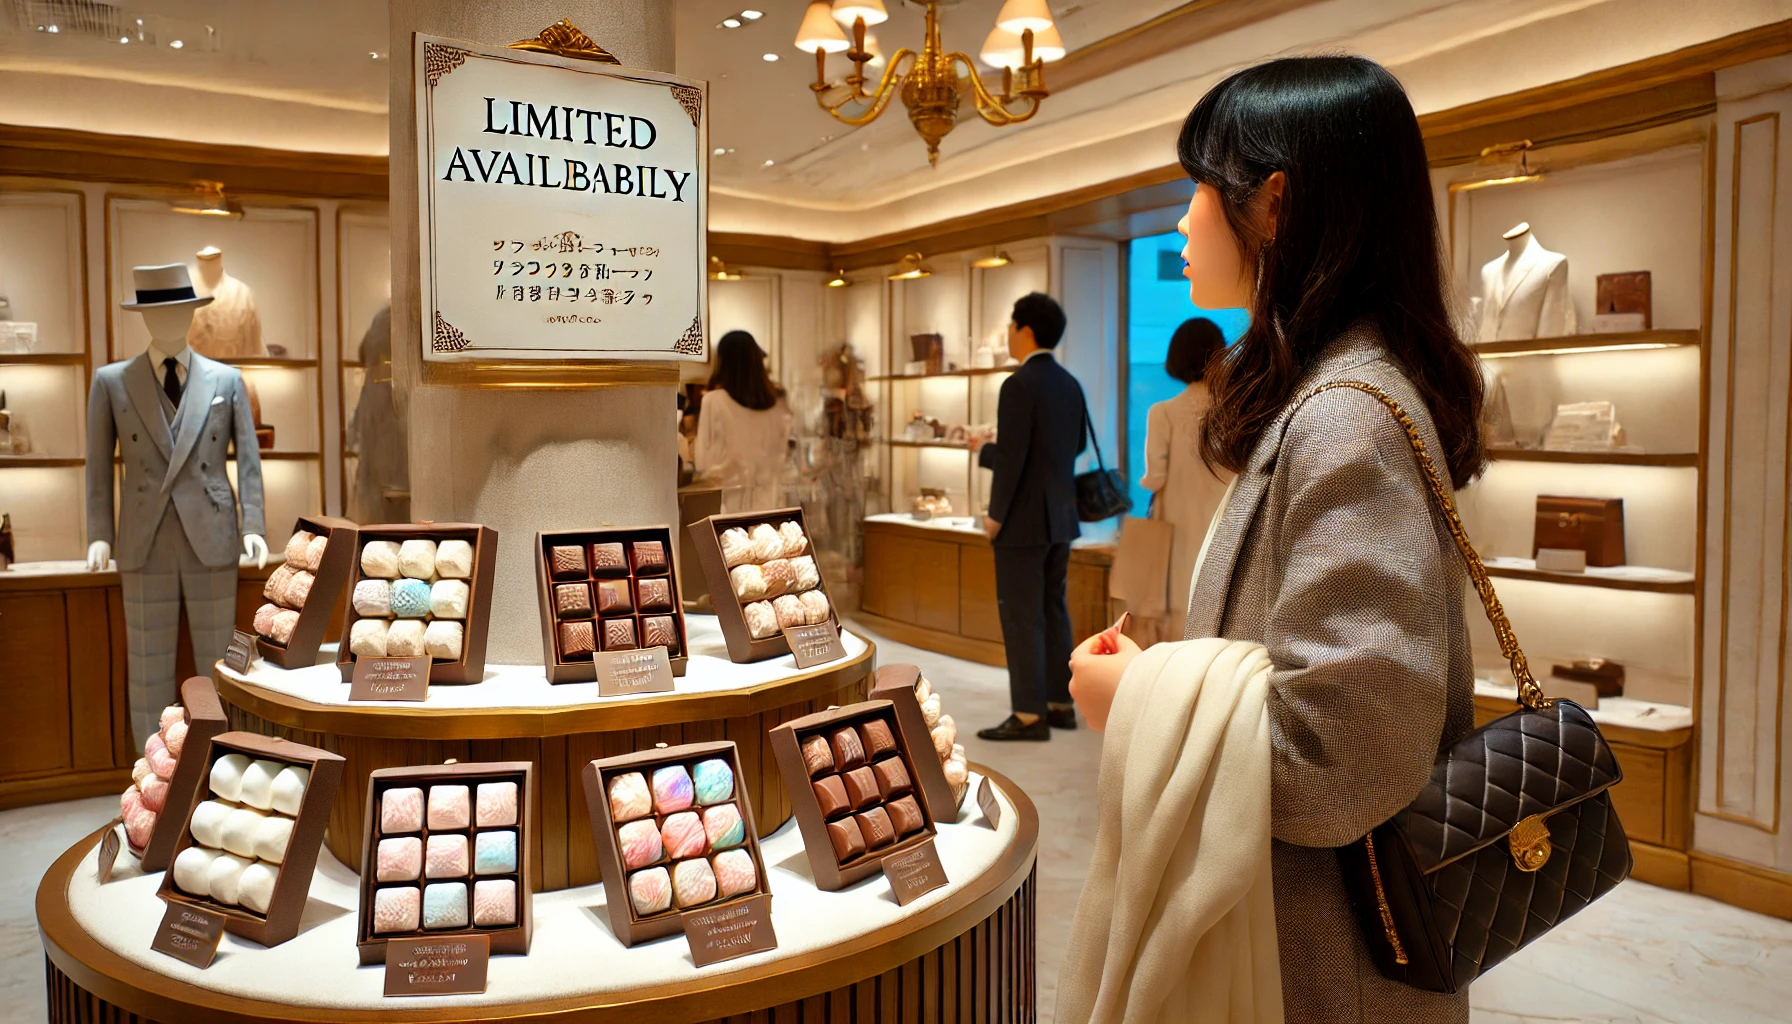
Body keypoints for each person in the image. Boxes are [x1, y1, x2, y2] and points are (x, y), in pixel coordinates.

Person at [1066, 55, 1486, 1022]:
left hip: (1324, 962)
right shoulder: (1326, 394)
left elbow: (1343, 757)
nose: (1181, 219)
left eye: (1198, 189)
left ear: (1276, 204)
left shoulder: (1345, 417)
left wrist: (1138, 697)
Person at [972, 292, 1088, 741]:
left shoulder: (1018, 384)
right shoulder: (1069, 383)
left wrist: (995, 515)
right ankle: (1060, 704)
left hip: (1022, 521)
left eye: (1011, 325)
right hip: (1062, 515)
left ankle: (1027, 715)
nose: (1007, 334)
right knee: (1053, 609)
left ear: (1026, 330)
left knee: (1021, 615)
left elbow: (1016, 458)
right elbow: (1072, 446)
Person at [1135, 317, 1232, 644]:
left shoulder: (1162, 412)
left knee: (1176, 616)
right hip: (1225, 528)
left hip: (1176, 528)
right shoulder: (1236, 412)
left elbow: (1154, 479)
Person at [694, 330, 792, 512]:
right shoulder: (776, 404)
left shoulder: (714, 401)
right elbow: (784, 457)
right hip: (772, 504)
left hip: (732, 506)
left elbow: (702, 462)